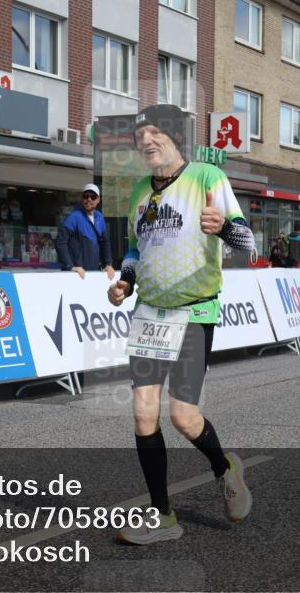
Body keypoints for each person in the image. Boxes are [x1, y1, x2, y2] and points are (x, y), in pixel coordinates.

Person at [107, 104, 254, 545]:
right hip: (150, 312)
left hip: (195, 310)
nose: (147, 141)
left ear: (175, 138)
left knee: (183, 417)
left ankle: (225, 468)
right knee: (142, 413)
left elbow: (248, 241)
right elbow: (134, 250)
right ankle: (163, 518)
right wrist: (125, 283)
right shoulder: (137, 192)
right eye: (140, 136)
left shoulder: (207, 178)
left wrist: (224, 227)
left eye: (156, 132)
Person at [55, 184, 114, 280]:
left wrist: (108, 264)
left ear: (98, 200)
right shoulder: (74, 217)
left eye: (93, 197)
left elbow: (105, 242)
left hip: (94, 273)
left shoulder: (100, 217)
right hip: (76, 274)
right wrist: (71, 266)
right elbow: (60, 242)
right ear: (82, 198)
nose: (89, 199)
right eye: (86, 196)